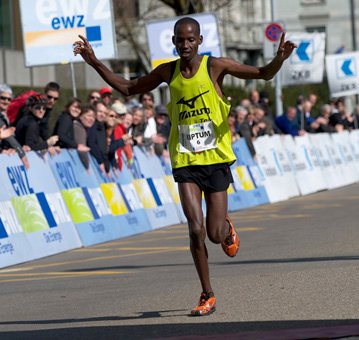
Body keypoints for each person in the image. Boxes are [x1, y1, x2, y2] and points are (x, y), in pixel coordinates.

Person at [74, 16, 296, 316]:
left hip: (215, 160)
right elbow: (128, 88)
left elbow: (262, 73)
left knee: (215, 235)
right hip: (185, 160)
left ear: (200, 41)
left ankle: (226, 227)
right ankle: (207, 293)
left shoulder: (215, 66)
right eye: (180, 40)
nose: (185, 44)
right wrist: (94, 62)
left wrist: (278, 59)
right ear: (174, 42)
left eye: (191, 39)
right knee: (195, 229)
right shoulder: (169, 70)